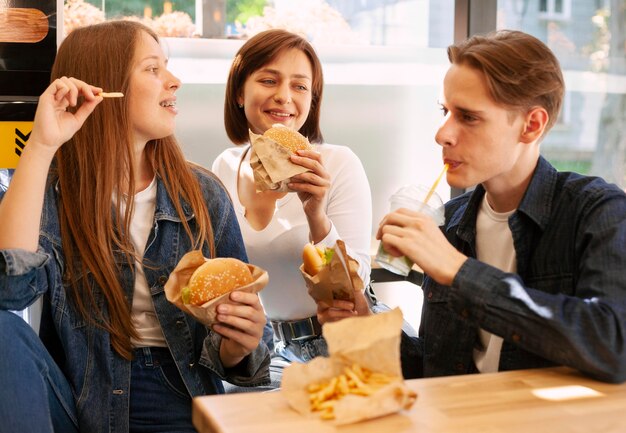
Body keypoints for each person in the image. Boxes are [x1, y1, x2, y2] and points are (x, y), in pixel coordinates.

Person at [0, 21, 269, 433]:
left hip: (179, 398)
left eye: (168, 68)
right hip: (80, 403)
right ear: (105, 86)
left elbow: (240, 357)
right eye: (153, 69)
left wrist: (240, 345)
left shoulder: (204, 196)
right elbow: (9, 292)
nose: (174, 82)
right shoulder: (51, 191)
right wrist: (40, 146)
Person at [376, 30, 626, 383]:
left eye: (468, 117)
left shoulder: (598, 212)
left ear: (531, 125)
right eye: (445, 111)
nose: (442, 134)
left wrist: (459, 271)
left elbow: (614, 346)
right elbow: (438, 371)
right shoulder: (452, 223)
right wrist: (365, 324)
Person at [212, 29, 373, 386]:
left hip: (334, 347)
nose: (284, 97)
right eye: (269, 80)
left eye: (300, 87)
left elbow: (353, 291)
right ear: (240, 92)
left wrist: (316, 214)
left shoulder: (338, 164)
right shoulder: (223, 168)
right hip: (257, 354)